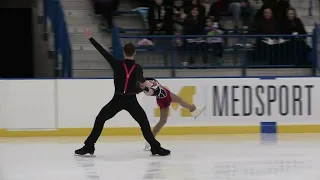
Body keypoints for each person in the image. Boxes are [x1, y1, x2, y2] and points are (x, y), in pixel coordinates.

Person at [75, 28, 170, 156]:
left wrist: (91, 38)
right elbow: (142, 84)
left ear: (124, 52)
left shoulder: (116, 64)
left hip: (117, 100)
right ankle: (155, 148)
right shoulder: (138, 68)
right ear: (134, 53)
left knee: (100, 119)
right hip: (131, 100)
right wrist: (147, 86)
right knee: (144, 123)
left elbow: (103, 52)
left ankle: (89, 146)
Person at [135, 78, 205, 151]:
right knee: (163, 121)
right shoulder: (147, 91)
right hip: (164, 99)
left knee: (181, 101)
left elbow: (153, 83)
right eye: (140, 85)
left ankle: (194, 110)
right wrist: (147, 87)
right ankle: (150, 141)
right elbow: (153, 91)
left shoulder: (147, 80)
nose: (141, 84)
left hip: (166, 93)